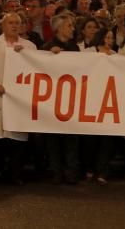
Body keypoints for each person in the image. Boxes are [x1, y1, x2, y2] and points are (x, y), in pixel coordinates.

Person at [0, 12, 36, 184]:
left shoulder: (29, 46)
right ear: (2, 25)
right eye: (10, 23)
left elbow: (37, 67)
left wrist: (24, 54)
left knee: (18, 138)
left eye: (17, 23)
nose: (14, 26)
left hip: (20, 98)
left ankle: (15, 174)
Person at [42, 12, 81, 185]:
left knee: (71, 138)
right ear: (59, 28)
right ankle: (56, 171)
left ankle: (70, 171)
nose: (72, 29)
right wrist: (50, 56)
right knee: (54, 139)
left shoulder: (74, 48)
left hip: (71, 99)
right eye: (69, 26)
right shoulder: (48, 47)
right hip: (53, 100)